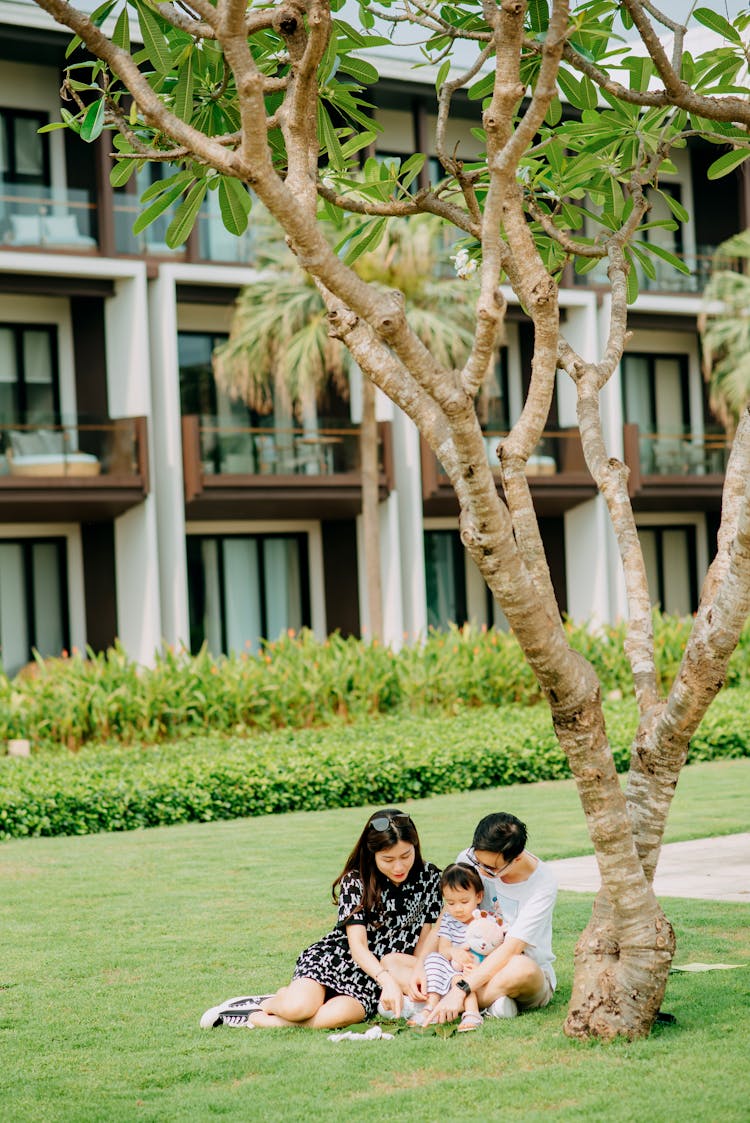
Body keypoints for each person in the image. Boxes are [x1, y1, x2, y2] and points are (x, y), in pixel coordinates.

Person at [200, 808, 442, 1030]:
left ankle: (253, 1015)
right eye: (388, 860)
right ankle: (274, 1001)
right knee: (299, 1009)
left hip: (374, 978)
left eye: (405, 855)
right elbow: (357, 945)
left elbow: (427, 934)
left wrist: (414, 976)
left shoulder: (430, 877)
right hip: (340, 959)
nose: (399, 866)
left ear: (415, 847)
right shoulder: (356, 880)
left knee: (332, 1018)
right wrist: (387, 980)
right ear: (372, 855)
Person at [423, 812, 557, 1024]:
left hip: (512, 968)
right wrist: (419, 968)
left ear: (518, 857)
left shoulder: (542, 883)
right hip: (466, 966)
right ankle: (494, 1004)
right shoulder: (467, 859)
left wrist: (460, 991)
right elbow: (448, 914)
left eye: (492, 869)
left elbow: (510, 949)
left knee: (523, 969)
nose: (482, 873)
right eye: (479, 862)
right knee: (395, 962)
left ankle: (444, 1003)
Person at [410, 862, 488, 1032]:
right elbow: (443, 950)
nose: (458, 909)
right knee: (433, 959)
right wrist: (453, 952)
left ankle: (473, 1013)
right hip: (451, 967)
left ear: (479, 897)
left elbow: (490, 947)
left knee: (459, 980)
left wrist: (475, 964)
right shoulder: (448, 921)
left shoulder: (483, 921)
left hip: (473, 969)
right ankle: (430, 1006)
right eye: (451, 903)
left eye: (464, 901)